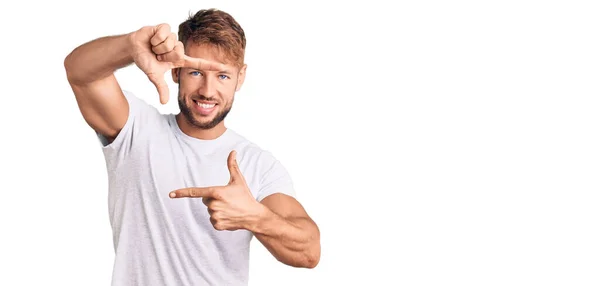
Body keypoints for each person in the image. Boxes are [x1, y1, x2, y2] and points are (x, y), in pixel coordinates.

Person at [63, 8, 320, 286]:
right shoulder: (136, 130)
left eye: (222, 76)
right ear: (176, 71)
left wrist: (256, 217)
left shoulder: (257, 164)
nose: (208, 91)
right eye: (196, 72)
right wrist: (130, 45)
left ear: (240, 77)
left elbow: (309, 252)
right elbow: (79, 72)